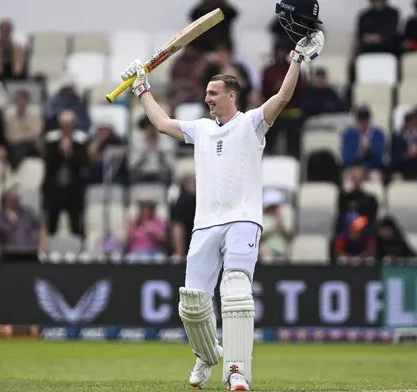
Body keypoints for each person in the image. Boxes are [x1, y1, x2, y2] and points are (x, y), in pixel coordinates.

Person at [119, 0, 324, 389]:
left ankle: (237, 373)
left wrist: (296, 59)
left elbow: (281, 99)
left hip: (243, 218)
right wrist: (141, 87)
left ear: (232, 95)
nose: (208, 97)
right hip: (205, 224)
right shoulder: (200, 128)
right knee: (192, 304)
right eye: (207, 93)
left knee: (235, 293)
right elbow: (162, 123)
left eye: (214, 93)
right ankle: (206, 356)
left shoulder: (251, 124)